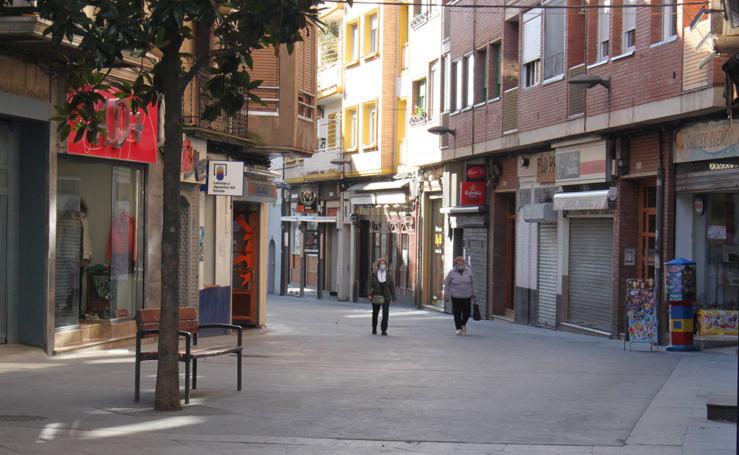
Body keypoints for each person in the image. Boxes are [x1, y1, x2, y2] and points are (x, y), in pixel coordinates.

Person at [444, 256, 475, 336]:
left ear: (464, 263)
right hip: (456, 296)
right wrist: (446, 295)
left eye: (462, 262)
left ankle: (463, 324)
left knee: (467, 313)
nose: (460, 264)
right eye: (459, 262)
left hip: (467, 296)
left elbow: (473, 283)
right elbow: (447, 284)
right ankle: (458, 329)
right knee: (457, 313)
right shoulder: (452, 272)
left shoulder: (469, 271)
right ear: (456, 264)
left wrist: (474, 293)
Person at [368, 258, 396, 336]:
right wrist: (369, 295)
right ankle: (374, 329)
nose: (382, 265)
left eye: (384, 264)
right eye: (381, 264)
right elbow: (370, 286)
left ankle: (384, 330)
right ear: (378, 265)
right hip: (376, 296)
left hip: (386, 297)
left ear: (386, 266)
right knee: (375, 313)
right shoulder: (374, 274)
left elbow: (392, 287)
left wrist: (394, 298)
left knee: (385, 314)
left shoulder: (389, 276)